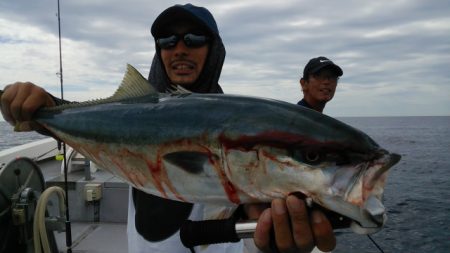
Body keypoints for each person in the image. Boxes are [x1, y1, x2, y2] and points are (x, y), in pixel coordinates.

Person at [1, 4, 336, 253]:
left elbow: (251, 204)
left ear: (214, 48)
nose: (179, 48)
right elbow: (98, 128)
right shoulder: (131, 115)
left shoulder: (236, 123)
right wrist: (40, 109)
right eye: (167, 39)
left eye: (194, 38)